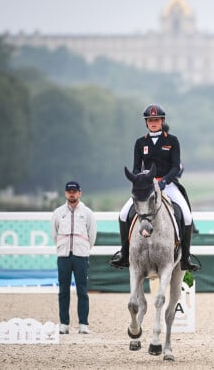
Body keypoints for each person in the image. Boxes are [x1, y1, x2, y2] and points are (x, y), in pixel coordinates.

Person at [109, 104, 200, 271]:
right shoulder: (140, 142)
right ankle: (124, 253)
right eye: (150, 120)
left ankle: (185, 257)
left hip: (167, 185)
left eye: (156, 120)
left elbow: (175, 167)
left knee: (186, 216)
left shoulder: (172, 141)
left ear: (162, 121)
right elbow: (136, 168)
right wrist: (141, 179)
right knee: (123, 214)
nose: (153, 122)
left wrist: (165, 180)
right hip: (147, 187)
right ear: (146, 122)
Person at [51, 181, 97, 335]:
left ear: (80, 193)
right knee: (63, 291)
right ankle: (64, 323)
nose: (72, 194)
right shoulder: (58, 213)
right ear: (65, 193)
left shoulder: (87, 213)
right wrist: (61, 247)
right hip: (64, 255)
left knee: (82, 291)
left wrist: (84, 249)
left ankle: (83, 323)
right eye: (69, 191)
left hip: (81, 256)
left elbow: (92, 235)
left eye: (74, 191)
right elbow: (54, 234)